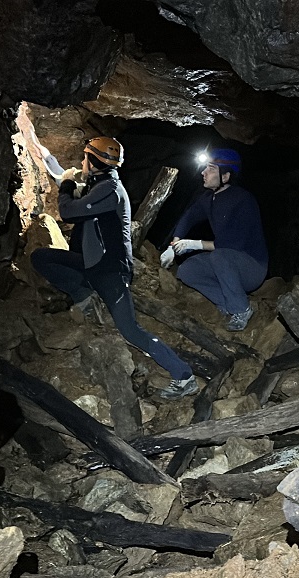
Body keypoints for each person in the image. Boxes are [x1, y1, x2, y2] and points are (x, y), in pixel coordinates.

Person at [30, 136, 199, 400]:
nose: (81, 161)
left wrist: (65, 185)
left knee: (130, 329)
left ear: (93, 162)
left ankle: (184, 375)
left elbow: (69, 211)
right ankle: (84, 296)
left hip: (111, 271)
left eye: (85, 157)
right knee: (41, 258)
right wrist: (46, 156)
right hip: (91, 265)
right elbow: (66, 180)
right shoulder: (98, 184)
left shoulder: (109, 190)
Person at [160, 148, 268, 331]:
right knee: (188, 270)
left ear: (225, 177)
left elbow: (232, 244)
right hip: (226, 262)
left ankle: (242, 309)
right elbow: (189, 217)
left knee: (220, 256)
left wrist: (194, 244)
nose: (203, 172)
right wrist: (174, 245)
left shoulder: (243, 201)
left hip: (251, 267)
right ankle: (227, 303)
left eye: (210, 169)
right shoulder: (209, 198)